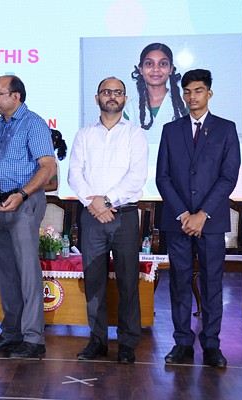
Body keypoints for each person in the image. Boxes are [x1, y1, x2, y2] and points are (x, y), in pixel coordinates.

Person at [156, 69, 240, 369]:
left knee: (212, 284)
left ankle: (212, 344)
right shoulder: (170, 130)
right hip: (177, 221)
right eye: (188, 91)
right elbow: (162, 177)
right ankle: (182, 343)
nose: (193, 96)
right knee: (179, 283)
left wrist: (203, 214)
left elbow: (229, 177)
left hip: (211, 222)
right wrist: (184, 214)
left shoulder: (226, 129)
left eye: (199, 90)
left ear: (209, 93)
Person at [68, 77, 148, 363]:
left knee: (128, 282)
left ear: (125, 99)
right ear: (97, 98)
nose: (112, 96)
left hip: (124, 216)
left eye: (118, 92)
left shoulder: (135, 134)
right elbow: (74, 174)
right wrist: (94, 203)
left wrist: (107, 200)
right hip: (92, 217)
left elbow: (137, 176)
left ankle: (127, 344)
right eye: (106, 92)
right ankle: (97, 341)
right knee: (94, 282)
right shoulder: (84, 135)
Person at [0, 75, 55, 359]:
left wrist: (22, 194)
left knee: (27, 270)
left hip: (23, 200)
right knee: (6, 270)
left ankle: (33, 338)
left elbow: (47, 167)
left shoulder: (33, 124)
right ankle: (12, 332)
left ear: (16, 96)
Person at [124, 43, 187, 197]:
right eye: (149, 64)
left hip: (178, 185)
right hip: (136, 187)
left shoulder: (185, 105)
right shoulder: (129, 108)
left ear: (171, 69)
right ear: (140, 69)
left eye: (163, 64)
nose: (156, 69)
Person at [44, 129, 67, 197]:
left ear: (53, 143)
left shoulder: (50, 160)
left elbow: (53, 185)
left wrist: (30, 189)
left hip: (48, 199)